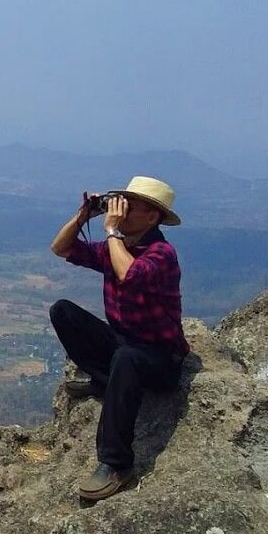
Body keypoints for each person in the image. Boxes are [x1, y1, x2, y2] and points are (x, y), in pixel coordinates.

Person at [48, 176, 188, 501]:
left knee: (127, 359)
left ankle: (115, 464)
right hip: (125, 344)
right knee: (63, 312)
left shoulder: (161, 253)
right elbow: (61, 248)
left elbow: (131, 274)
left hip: (160, 358)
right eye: (117, 202)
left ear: (152, 217)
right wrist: (83, 216)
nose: (119, 209)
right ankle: (106, 380)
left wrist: (111, 231)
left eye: (129, 204)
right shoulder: (120, 247)